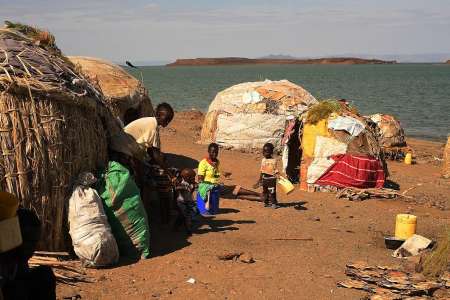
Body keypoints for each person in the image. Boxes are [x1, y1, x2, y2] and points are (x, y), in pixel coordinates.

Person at [197, 143, 221, 215]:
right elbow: (200, 179)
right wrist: (208, 186)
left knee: (214, 211)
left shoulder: (217, 162)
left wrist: (216, 183)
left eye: (216, 152)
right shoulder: (203, 163)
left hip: (215, 188)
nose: (214, 154)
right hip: (206, 189)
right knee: (204, 210)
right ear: (208, 151)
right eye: (212, 152)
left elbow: (216, 176)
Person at [254, 143, 280, 209]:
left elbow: (275, 169)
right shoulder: (263, 160)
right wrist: (260, 180)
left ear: (271, 152)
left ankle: (273, 203)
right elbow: (262, 171)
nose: (265, 153)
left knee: (272, 192)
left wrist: (278, 175)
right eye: (264, 151)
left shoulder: (274, 161)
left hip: (271, 179)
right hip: (265, 179)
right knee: (265, 192)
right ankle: (266, 202)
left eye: (267, 152)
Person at [173, 168, 198, 235]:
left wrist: (195, 186)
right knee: (185, 215)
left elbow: (193, 190)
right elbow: (177, 188)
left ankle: (177, 226)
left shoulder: (192, 183)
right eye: (192, 177)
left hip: (188, 201)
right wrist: (184, 188)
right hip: (181, 202)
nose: (194, 178)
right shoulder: (182, 183)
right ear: (186, 178)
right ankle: (188, 229)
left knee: (183, 215)